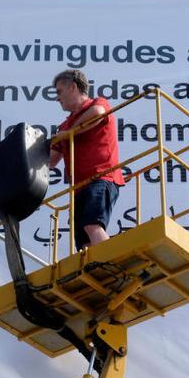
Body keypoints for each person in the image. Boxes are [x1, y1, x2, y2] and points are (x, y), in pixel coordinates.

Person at [49, 69, 124, 249]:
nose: (57, 98)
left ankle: (113, 261)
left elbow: (98, 113)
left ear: (73, 87)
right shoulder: (64, 127)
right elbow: (50, 161)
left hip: (101, 177)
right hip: (79, 188)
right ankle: (98, 273)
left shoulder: (97, 103)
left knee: (92, 225)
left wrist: (70, 133)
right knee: (84, 242)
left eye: (59, 92)